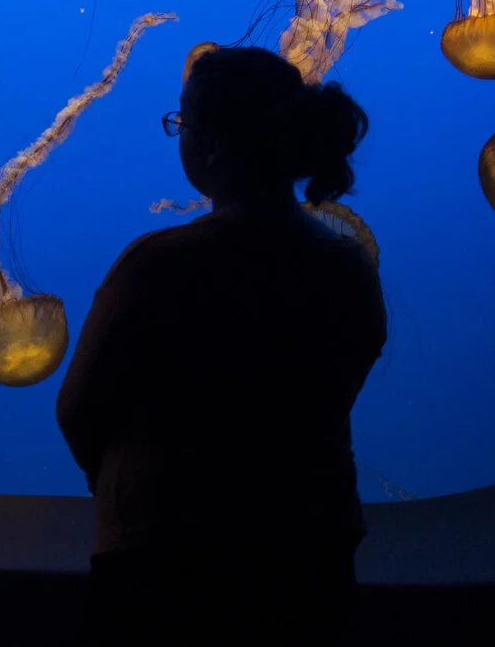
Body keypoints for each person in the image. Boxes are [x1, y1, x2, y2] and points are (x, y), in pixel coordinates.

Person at [56, 44, 386, 647]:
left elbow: (77, 408)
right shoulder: (349, 268)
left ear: (209, 145)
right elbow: (341, 385)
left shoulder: (156, 266)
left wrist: (117, 477)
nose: (177, 133)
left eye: (181, 121)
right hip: (306, 549)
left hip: (162, 556)